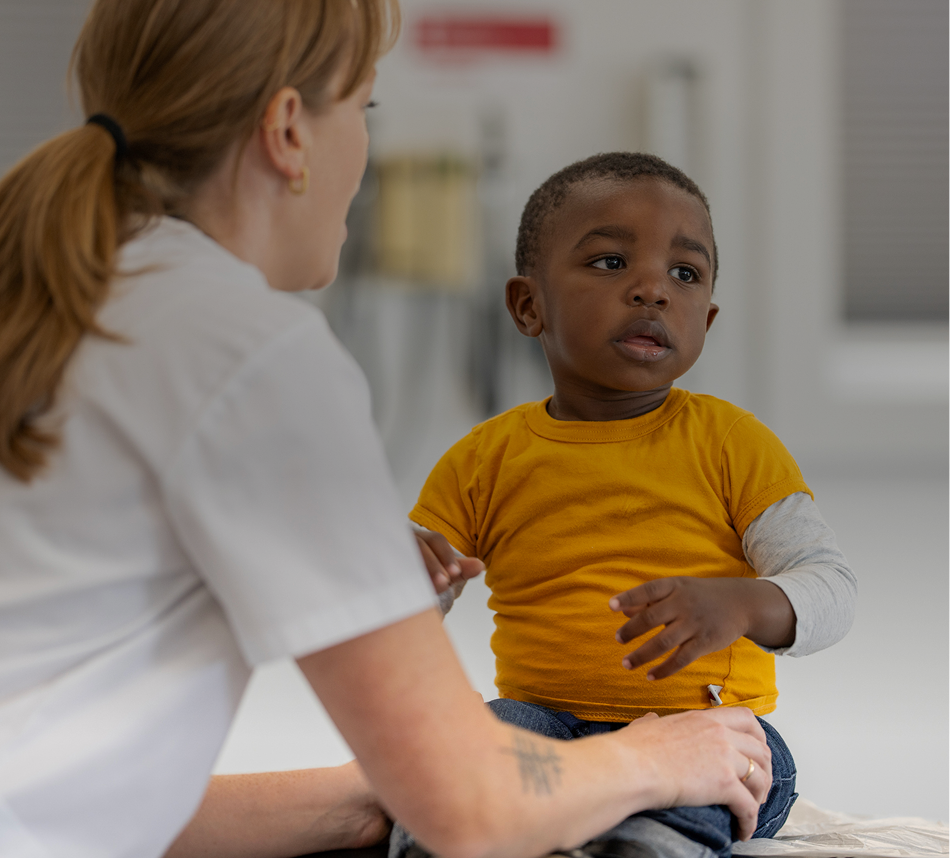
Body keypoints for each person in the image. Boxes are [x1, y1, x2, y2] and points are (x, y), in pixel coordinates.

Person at [0, 2, 778, 856]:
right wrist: (654, 756)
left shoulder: (55, 294)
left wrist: (372, 790)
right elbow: (475, 811)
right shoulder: (250, 355)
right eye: (364, 109)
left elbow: (63, 793)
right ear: (290, 131)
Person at [405, 153, 858, 858]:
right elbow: (397, 609)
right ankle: (440, 840)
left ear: (705, 318)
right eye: (612, 262)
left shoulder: (734, 444)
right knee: (470, 750)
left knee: (724, 771)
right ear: (529, 305)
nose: (652, 289)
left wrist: (742, 604)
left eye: (684, 274)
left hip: (708, 728)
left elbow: (831, 588)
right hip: (543, 724)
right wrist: (403, 576)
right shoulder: (483, 460)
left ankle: (649, 845)